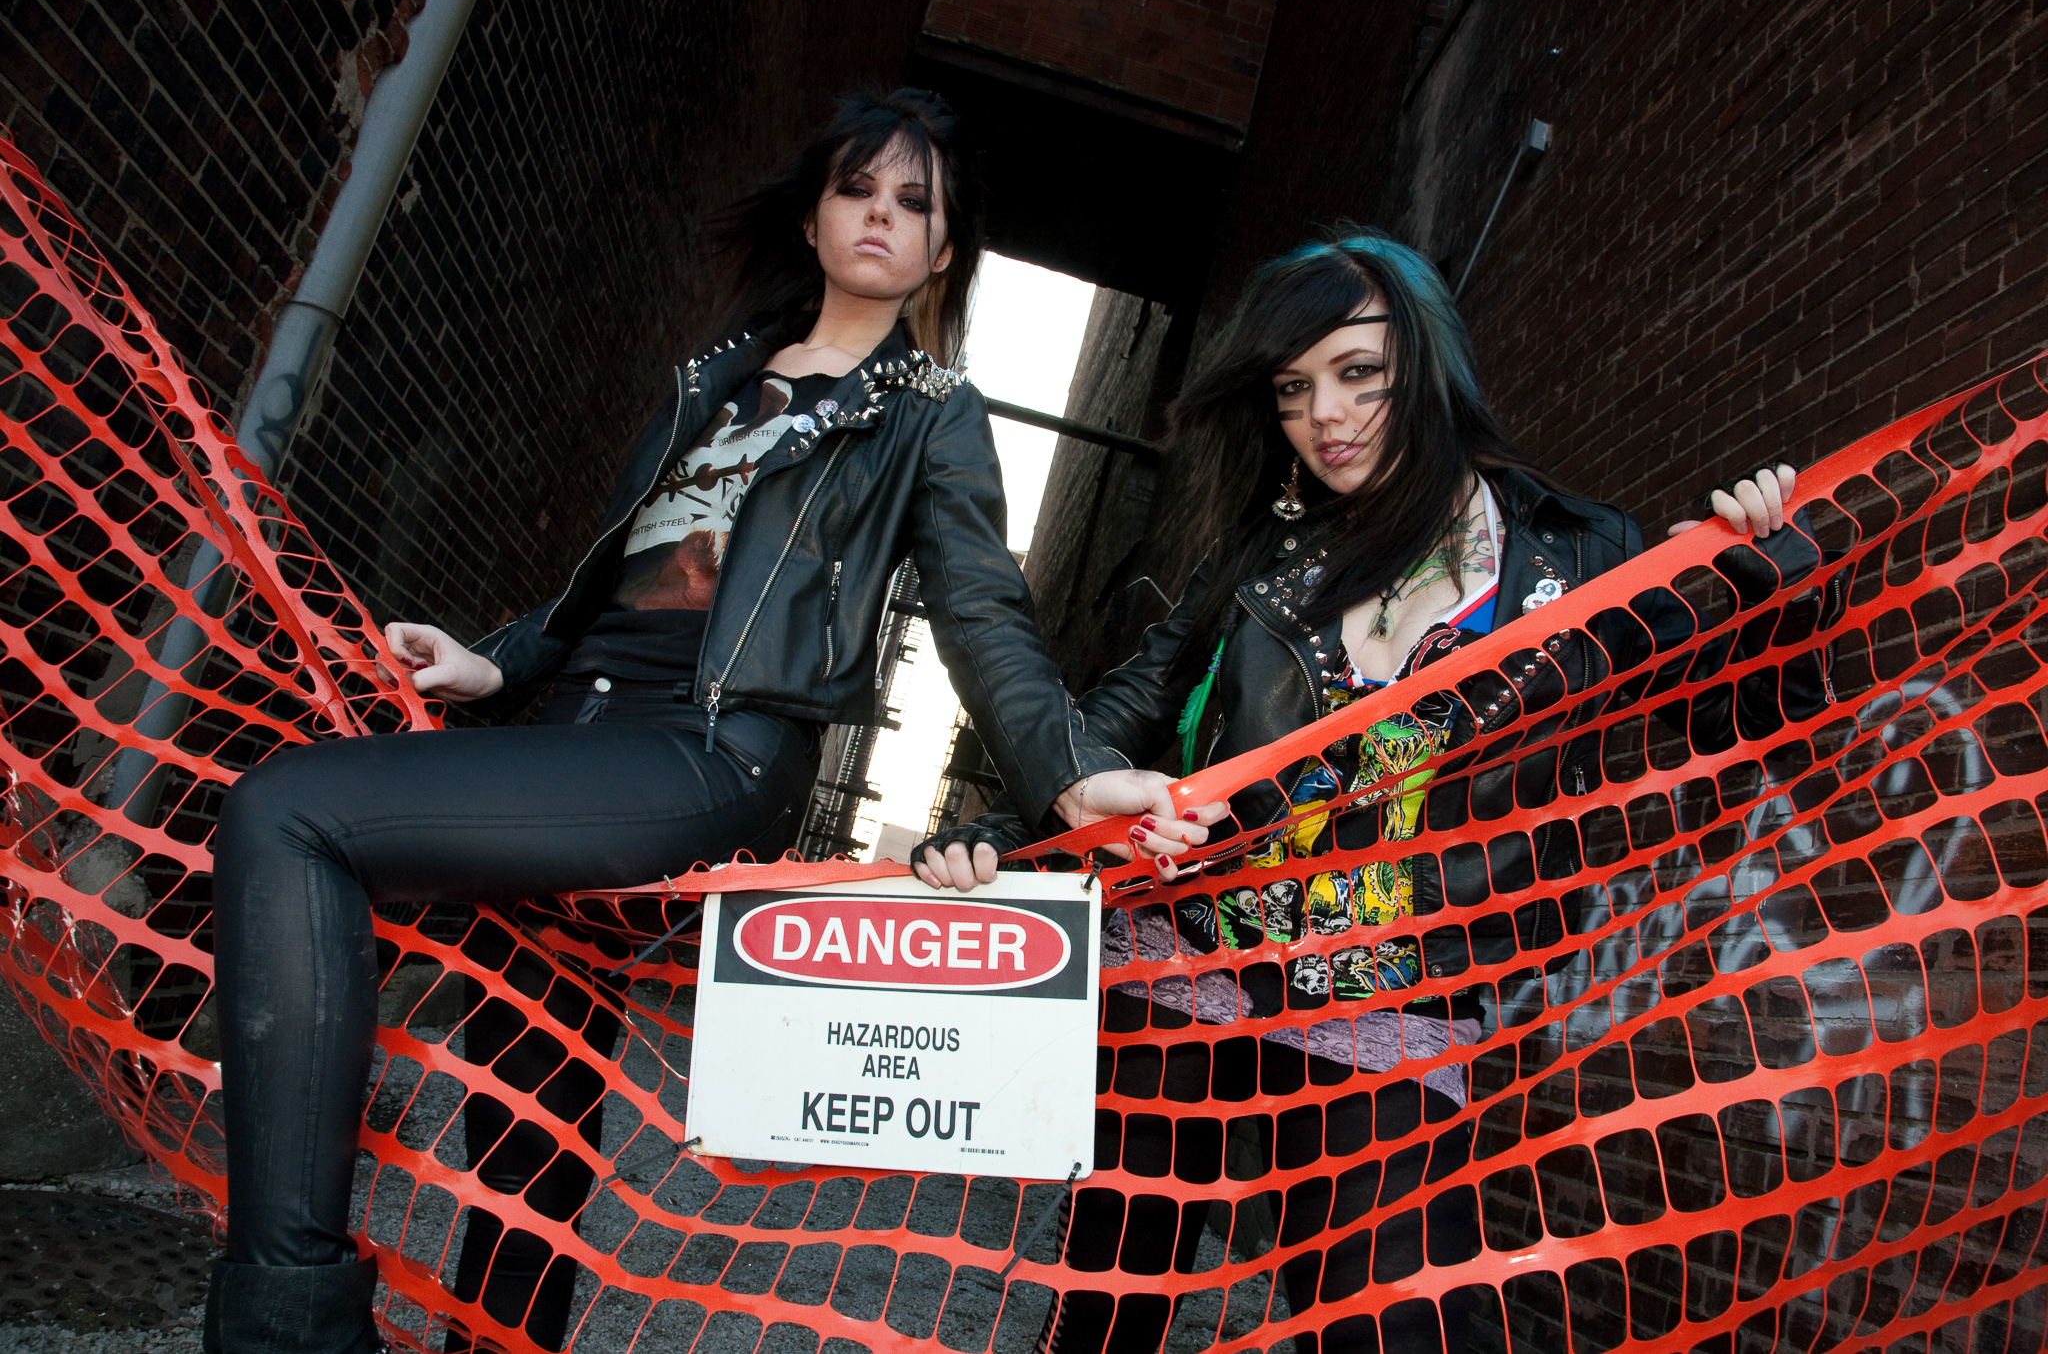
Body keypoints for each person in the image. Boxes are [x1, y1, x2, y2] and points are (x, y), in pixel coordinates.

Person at [203, 88, 1174, 1354]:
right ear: (812, 217)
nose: (880, 215)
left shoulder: (928, 412)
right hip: (573, 727)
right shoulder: (709, 378)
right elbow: (614, 575)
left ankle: (286, 1320)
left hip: (712, 751)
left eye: (914, 203)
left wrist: (1070, 772)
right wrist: (496, 662)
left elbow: (982, 610)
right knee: (525, 1096)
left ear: (943, 251)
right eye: (856, 189)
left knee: (289, 811)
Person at [913, 225, 1804, 1348]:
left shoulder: (1580, 558)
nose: (1323, 416)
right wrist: (1005, 826)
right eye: (1293, 389)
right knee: (1106, 1305)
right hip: (1188, 961)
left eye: (1358, 373)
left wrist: (1771, 591)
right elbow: (1122, 713)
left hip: (1398, 1006)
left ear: (1425, 362)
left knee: (1387, 1320)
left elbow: (1749, 726)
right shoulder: (1263, 555)